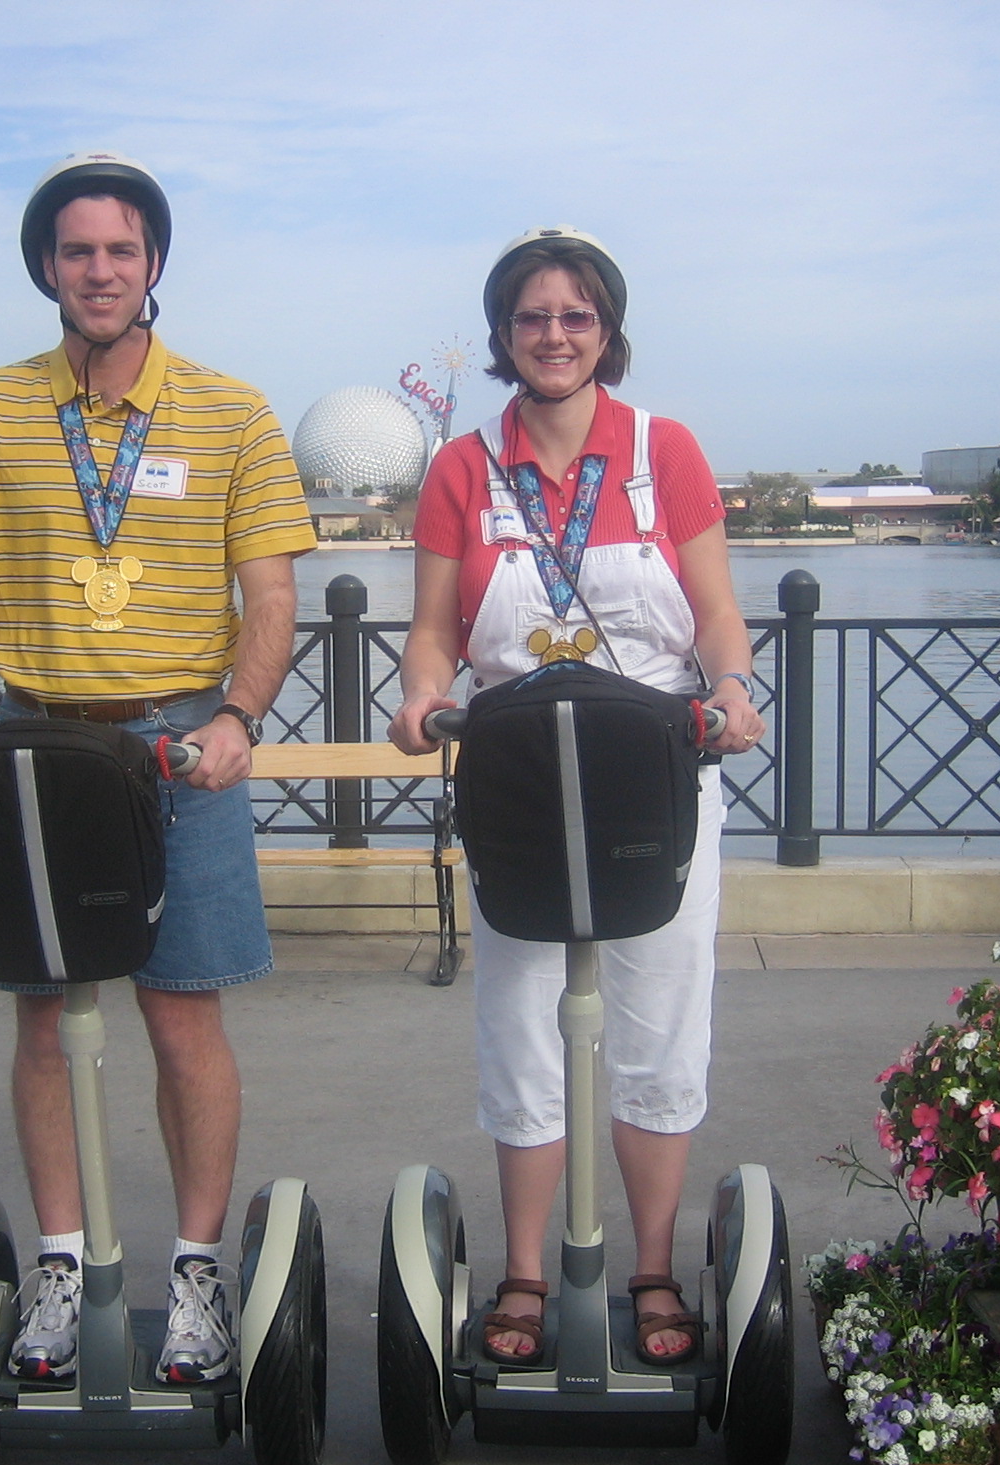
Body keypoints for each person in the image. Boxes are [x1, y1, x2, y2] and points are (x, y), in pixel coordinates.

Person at [0, 152, 313, 1385]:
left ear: (153, 263)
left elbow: (268, 593)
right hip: (34, 740)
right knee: (44, 1016)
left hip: (177, 745)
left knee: (183, 1020)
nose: (100, 271)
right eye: (77, 252)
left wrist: (239, 716)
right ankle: (58, 1266)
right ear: (46, 268)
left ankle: (196, 1275)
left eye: (122, 249)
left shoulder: (231, 412)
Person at [388, 227, 764, 1368]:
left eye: (575, 318)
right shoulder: (462, 466)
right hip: (515, 778)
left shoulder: (664, 450)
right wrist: (417, 697)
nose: (553, 336)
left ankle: (649, 1268)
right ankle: (523, 1271)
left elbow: (713, 616)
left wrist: (733, 690)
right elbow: (435, 630)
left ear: (606, 331)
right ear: (504, 336)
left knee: (655, 1026)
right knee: (520, 1031)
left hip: (651, 772)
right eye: (531, 318)